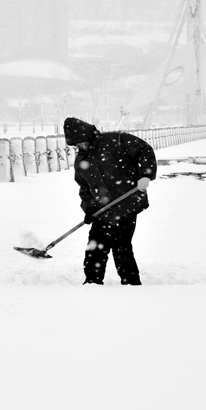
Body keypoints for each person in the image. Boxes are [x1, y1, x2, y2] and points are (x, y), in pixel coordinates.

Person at [63, 117, 157, 285]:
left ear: (87, 135)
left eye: (80, 142)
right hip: (103, 210)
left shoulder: (116, 140)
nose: (79, 147)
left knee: (121, 247)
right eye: (75, 145)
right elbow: (85, 189)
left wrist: (146, 175)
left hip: (127, 204)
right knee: (95, 247)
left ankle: (131, 284)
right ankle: (92, 283)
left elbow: (145, 150)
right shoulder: (81, 161)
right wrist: (90, 208)